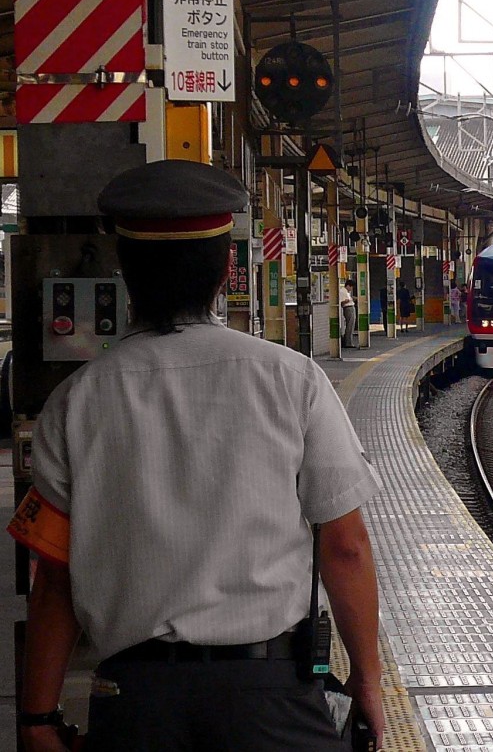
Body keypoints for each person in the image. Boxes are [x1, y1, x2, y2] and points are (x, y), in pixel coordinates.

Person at [10, 161, 385, 751]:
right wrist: (368, 682)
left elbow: (54, 579)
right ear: (225, 272)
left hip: (134, 705)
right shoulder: (294, 381)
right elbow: (345, 546)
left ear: (126, 274)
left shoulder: (76, 401)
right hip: (272, 699)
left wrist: (35, 718)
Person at [340, 278, 357, 349]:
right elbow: (342, 302)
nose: (351, 289)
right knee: (350, 325)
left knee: (351, 325)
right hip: (348, 308)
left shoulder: (346, 292)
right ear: (348, 286)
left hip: (350, 307)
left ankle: (349, 341)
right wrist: (349, 300)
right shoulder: (343, 291)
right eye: (351, 287)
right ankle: (348, 343)